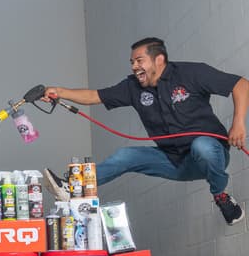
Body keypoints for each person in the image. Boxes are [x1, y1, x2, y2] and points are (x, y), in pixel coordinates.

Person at [42, 37, 249, 225]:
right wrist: (59, 92)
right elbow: (94, 96)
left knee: (201, 146)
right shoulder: (132, 87)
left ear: (159, 60)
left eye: (139, 61)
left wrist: (238, 123)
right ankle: (72, 188)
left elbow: (241, 85)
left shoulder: (191, 73)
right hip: (174, 161)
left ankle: (221, 196)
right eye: (132, 62)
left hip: (211, 155)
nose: (134, 66)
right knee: (126, 155)